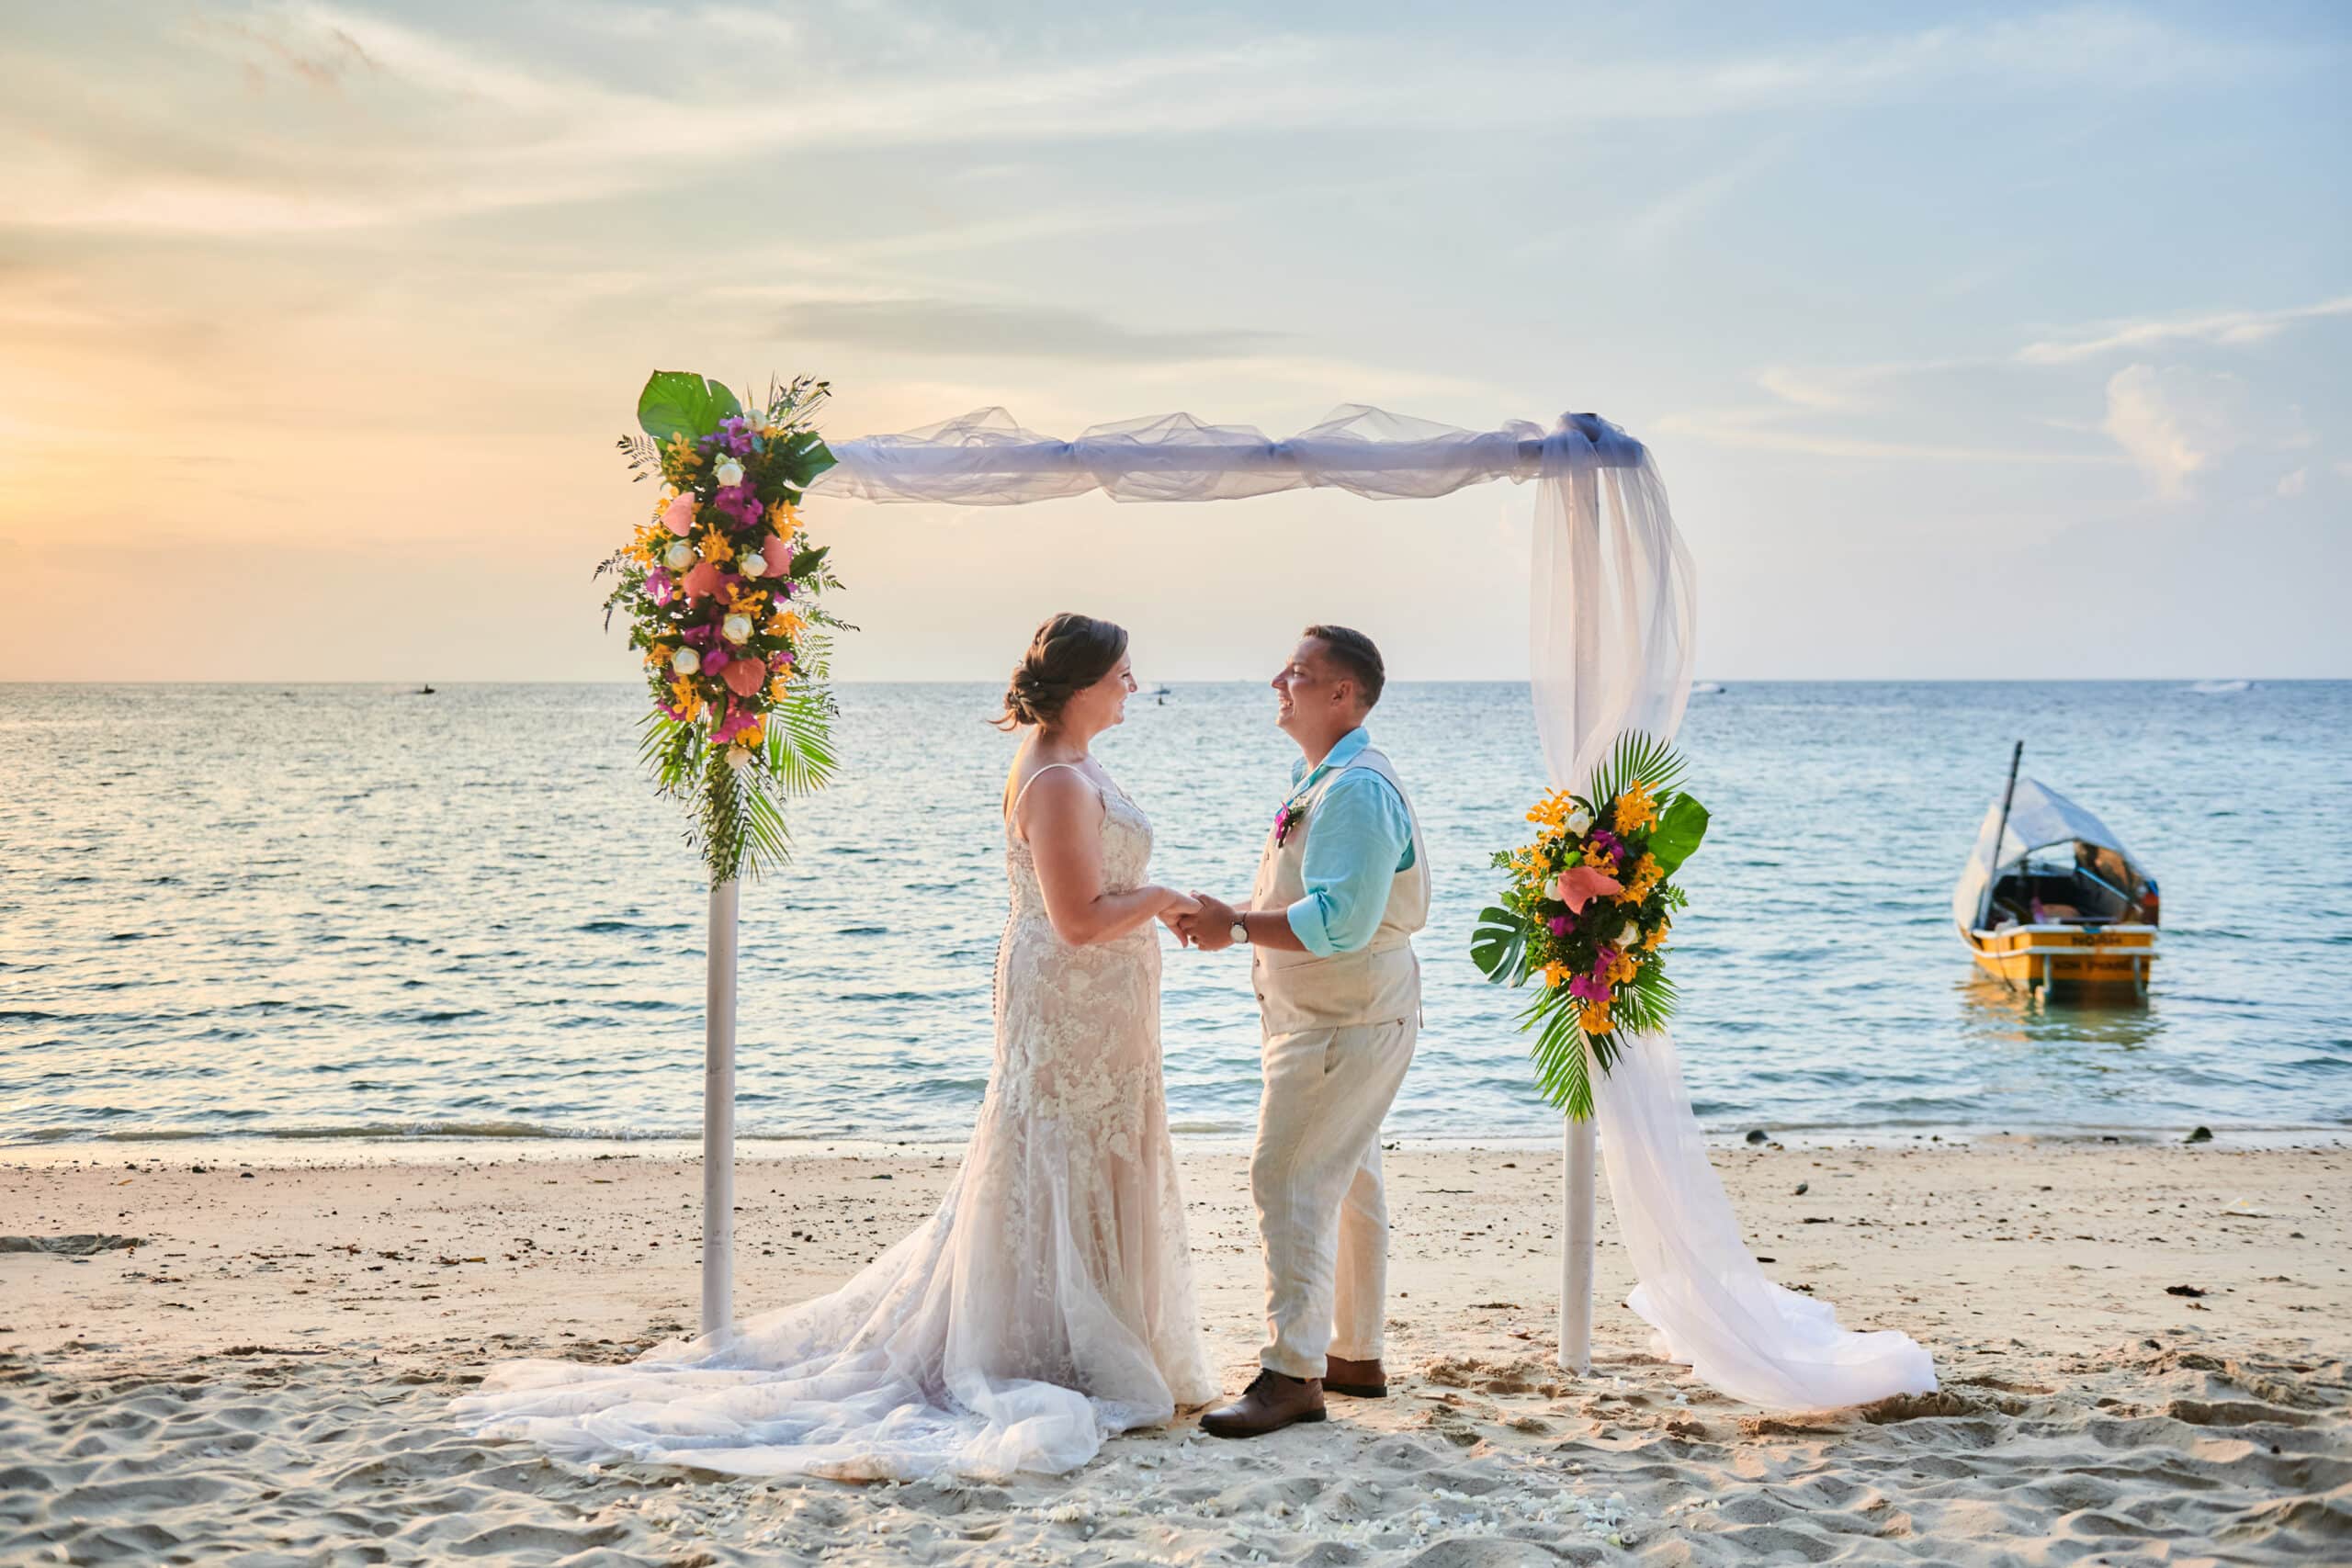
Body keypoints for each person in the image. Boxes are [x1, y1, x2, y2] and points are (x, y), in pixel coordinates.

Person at [452, 613, 1213, 1480]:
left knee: (1090, 1148)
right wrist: (1157, 896)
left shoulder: (1075, 763)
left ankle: (1090, 1332)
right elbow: (1078, 920)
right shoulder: (1056, 781)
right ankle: (1048, 1346)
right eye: (1121, 674)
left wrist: (1151, 906)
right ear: (1081, 685)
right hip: (1071, 995)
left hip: (1098, 1004)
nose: (1133, 686)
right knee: (1054, 1150)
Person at [1177, 625, 1427, 1438]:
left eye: (1299, 672)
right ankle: (1353, 1353)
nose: (1278, 682)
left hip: (1342, 1018)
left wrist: (1237, 926)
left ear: (1344, 694)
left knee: (1285, 1174)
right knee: (1348, 1177)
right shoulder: (1330, 777)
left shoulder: (1354, 789)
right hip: (1346, 1013)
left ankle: (1293, 1375)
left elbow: (1342, 922)